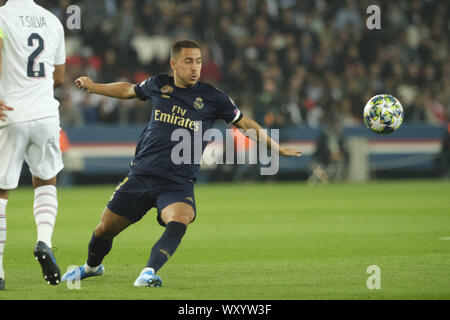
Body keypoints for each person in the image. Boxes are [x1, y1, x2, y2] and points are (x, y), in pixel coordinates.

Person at [61, 39, 301, 287]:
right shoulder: (159, 84)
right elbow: (128, 90)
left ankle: (148, 272)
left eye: (198, 61)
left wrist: (275, 147)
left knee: (180, 219)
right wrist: (93, 86)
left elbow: (245, 123)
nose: (195, 67)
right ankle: (91, 267)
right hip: (142, 175)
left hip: (177, 181)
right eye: (188, 61)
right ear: (174, 64)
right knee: (103, 230)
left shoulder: (214, 97)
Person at [0, 0, 66, 289]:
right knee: (46, 181)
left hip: (10, 113)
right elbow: (60, 76)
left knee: (1, 192)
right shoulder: (52, 21)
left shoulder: (2, 16)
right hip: (45, 114)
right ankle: (44, 240)